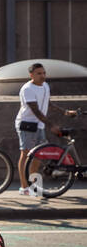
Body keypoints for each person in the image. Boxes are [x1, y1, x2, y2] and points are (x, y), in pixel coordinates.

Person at [16, 63, 79, 196]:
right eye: (39, 73)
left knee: (40, 154)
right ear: (31, 75)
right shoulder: (27, 89)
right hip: (27, 124)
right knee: (26, 154)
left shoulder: (45, 86)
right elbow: (35, 110)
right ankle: (23, 187)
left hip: (40, 125)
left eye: (44, 73)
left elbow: (48, 103)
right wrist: (52, 125)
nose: (42, 76)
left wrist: (65, 112)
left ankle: (33, 185)